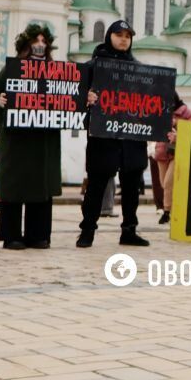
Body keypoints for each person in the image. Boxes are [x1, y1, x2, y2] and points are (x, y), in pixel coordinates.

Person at [0, 24, 62, 250]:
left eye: (43, 41)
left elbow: (69, 97)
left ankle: (38, 235)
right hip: (17, 140)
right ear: (26, 45)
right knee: (16, 186)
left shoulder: (55, 70)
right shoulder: (13, 69)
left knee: (40, 186)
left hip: (43, 140)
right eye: (35, 41)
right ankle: (11, 235)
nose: (40, 45)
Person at [77, 20, 151, 248]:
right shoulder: (93, 67)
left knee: (131, 187)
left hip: (131, 136)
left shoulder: (139, 70)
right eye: (118, 34)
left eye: (127, 35)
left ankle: (129, 230)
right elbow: (74, 99)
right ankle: (87, 230)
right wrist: (85, 99)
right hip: (103, 136)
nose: (123, 39)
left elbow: (150, 101)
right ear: (109, 36)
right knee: (97, 185)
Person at [153, 94, 191, 225]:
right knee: (163, 183)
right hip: (162, 150)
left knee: (168, 182)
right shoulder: (161, 111)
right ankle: (173, 210)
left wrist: (177, 124)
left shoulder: (186, 113)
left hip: (177, 152)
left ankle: (167, 212)